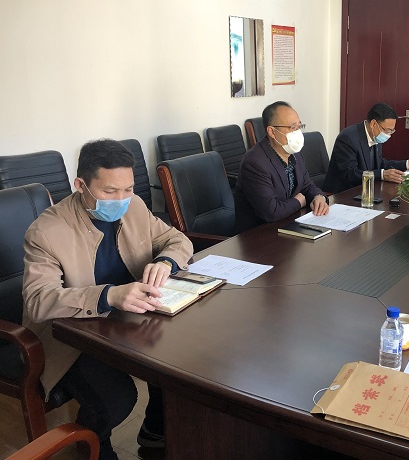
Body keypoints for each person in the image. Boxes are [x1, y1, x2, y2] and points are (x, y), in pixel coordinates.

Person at [23, 139, 194, 460]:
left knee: (178, 363)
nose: (121, 199)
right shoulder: (46, 231)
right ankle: (91, 448)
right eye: (110, 191)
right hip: (72, 335)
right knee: (115, 399)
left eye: (128, 189)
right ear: (81, 185)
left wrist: (166, 261)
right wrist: (109, 295)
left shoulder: (134, 205)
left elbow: (176, 239)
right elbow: (38, 301)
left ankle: (155, 433)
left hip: (130, 320)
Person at [234, 101, 329, 233]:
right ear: (272, 132)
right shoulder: (254, 162)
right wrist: (299, 201)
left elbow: (307, 186)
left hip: (289, 227)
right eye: (293, 127)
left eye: (299, 126)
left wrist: (318, 197)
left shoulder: (294, 153)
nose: (298, 132)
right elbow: (271, 212)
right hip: (259, 236)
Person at [323, 102, 409, 194]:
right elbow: (350, 174)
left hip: (366, 190)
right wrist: (382, 175)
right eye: (387, 131)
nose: (389, 135)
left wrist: (406, 164)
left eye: (392, 131)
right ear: (373, 124)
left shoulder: (375, 135)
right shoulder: (348, 138)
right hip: (343, 193)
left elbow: (379, 164)